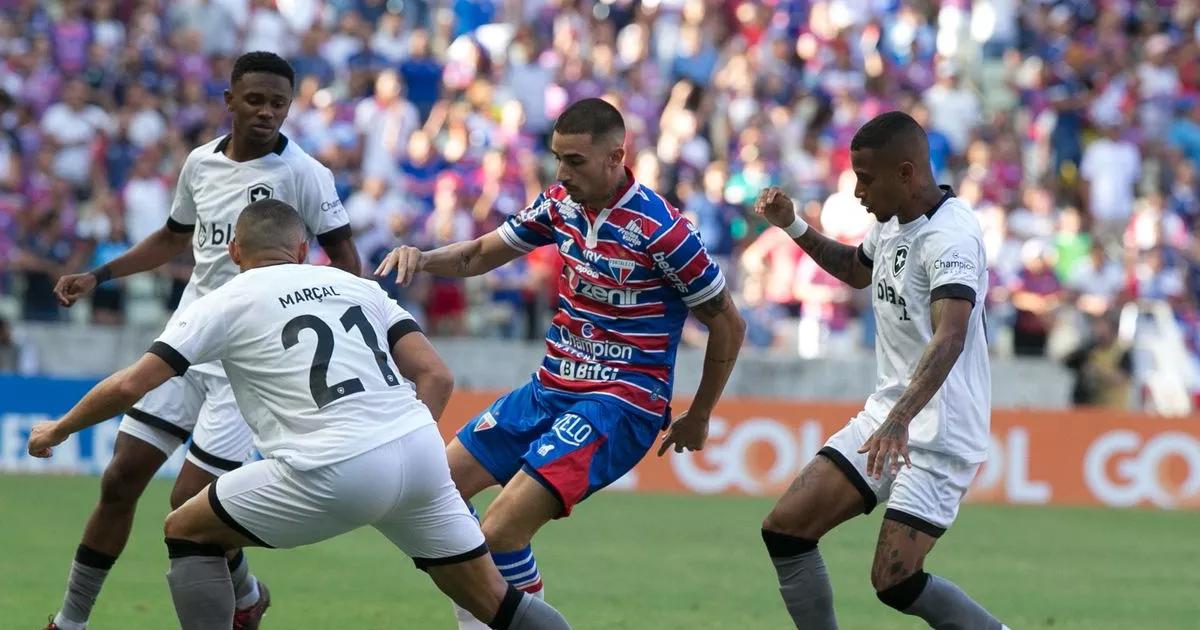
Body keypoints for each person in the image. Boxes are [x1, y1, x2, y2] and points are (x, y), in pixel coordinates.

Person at [28, 200, 571, 630]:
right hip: (421, 453)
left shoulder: (225, 300)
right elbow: (437, 376)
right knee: (499, 604)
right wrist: (401, 446)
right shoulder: (359, 287)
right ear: (304, 248)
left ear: (235, 251)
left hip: (332, 466)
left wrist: (60, 427)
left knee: (187, 529)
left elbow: (131, 384)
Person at [375, 97, 746, 628]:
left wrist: (701, 413)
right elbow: (480, 254)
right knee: (430, 496)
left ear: (617, 157)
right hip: (548, 389)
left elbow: (729, 322)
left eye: (574, 161)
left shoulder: (663, 230)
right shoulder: (558, 204)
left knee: (499, 531)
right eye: (557, 159)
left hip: (620, 402)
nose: (562, 173)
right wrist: (421, 256)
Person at [45, 52, 361, 630]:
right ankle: (69, 621)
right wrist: (100, 274)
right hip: (189, 340)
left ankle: (243, 593)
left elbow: (345, 260)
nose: (267, 112)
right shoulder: (200, 164)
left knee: (188, 508)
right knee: (118, 481)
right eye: (256, 100)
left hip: (249, 363)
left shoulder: (306, 175)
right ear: (230, 100)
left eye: (278, 103)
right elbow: (173, 239)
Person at [754, 111, 1007, 629]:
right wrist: (794, 225)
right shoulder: (893, 221)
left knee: (894, 579)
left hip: (937, 430)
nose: (857, 190)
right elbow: (854, 271)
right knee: (785, 530)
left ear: (907, 173)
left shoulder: (950, 237)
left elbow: (951, 336)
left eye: (866, 178)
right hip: (889, 417)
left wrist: (900, 420)